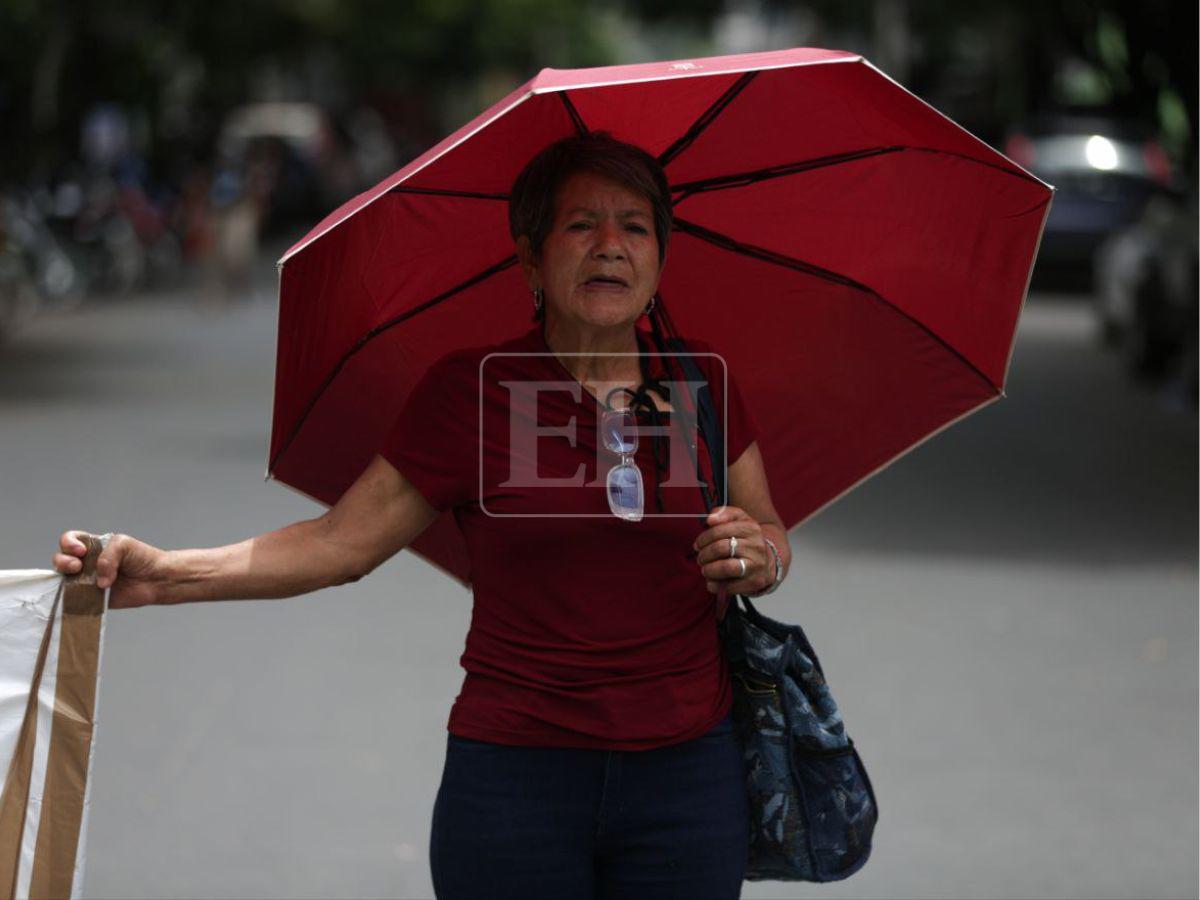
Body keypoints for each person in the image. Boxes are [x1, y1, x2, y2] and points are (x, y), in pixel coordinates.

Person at [53, 132, 792, 900]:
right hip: (516, 781)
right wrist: (164, 572)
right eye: (581, 224)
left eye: (635, 226)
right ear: (530, 257)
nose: (610, 246)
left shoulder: (698, 385)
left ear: (659, 259)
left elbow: (770, 534)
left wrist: (761, 555)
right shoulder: (473, 392)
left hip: (686, 783)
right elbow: (337, 545)